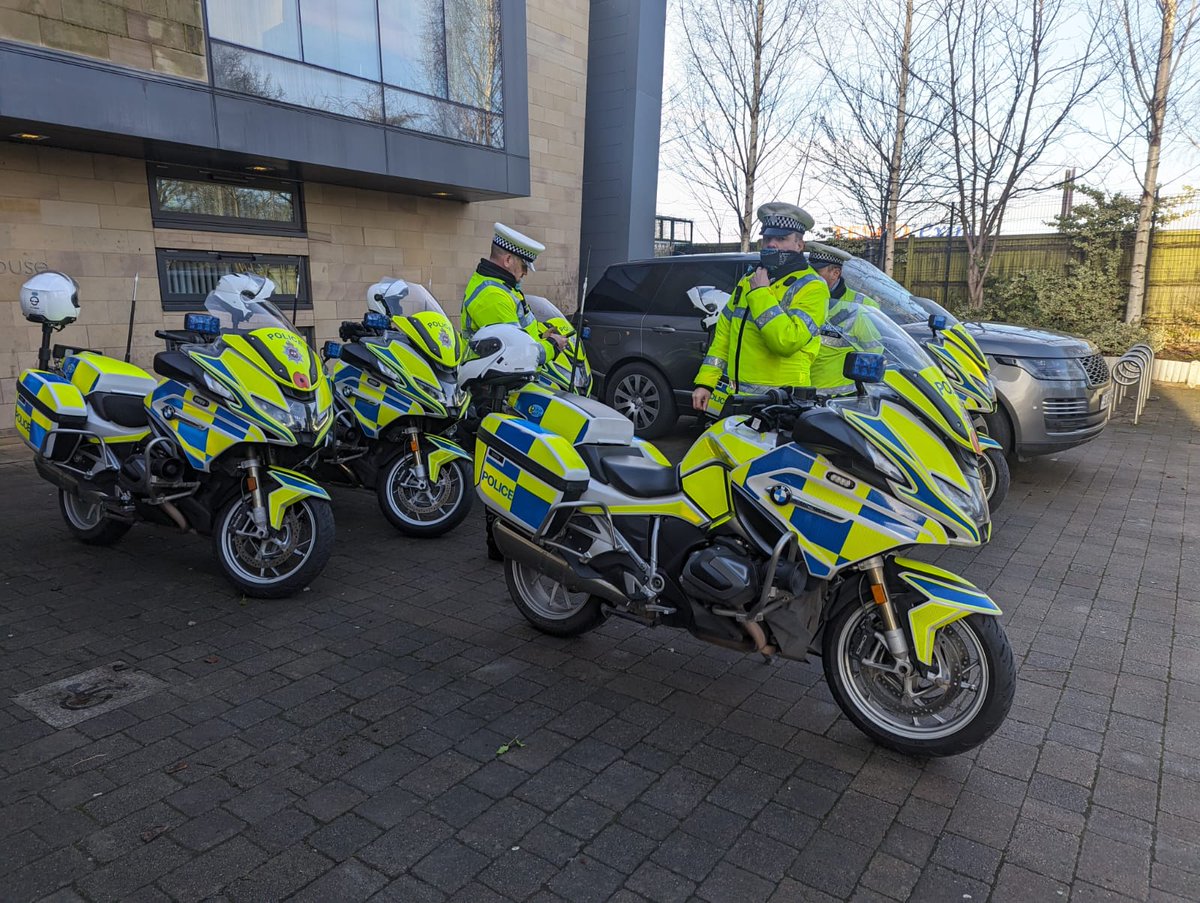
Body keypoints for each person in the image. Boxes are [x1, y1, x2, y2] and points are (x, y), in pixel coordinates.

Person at [693, 203, 830, 413]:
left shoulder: (813, 286)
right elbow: (723, 337)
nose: (772, 244)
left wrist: (760, 294)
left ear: (800, 245)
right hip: (735, 399)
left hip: (781, 404)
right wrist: (706, 382)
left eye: (781, 239)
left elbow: (786, 342)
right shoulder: (749, 280)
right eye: (767, 238)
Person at [462, 223, 568, 360]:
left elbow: (518, 333)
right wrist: (553, 346)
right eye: (524, 266)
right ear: (508, 260)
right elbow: (517, 353)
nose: (525, 272)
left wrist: (542, 337)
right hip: (494, 379)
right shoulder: (492, 296)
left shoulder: (503, 287)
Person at [806, 246, 884, 389]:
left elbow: (874, 352)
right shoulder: (801, 296)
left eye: (816, 272)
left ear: (835, 273)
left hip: (839, 397)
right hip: (799, 390)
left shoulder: (862, 305)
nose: (809, 277)